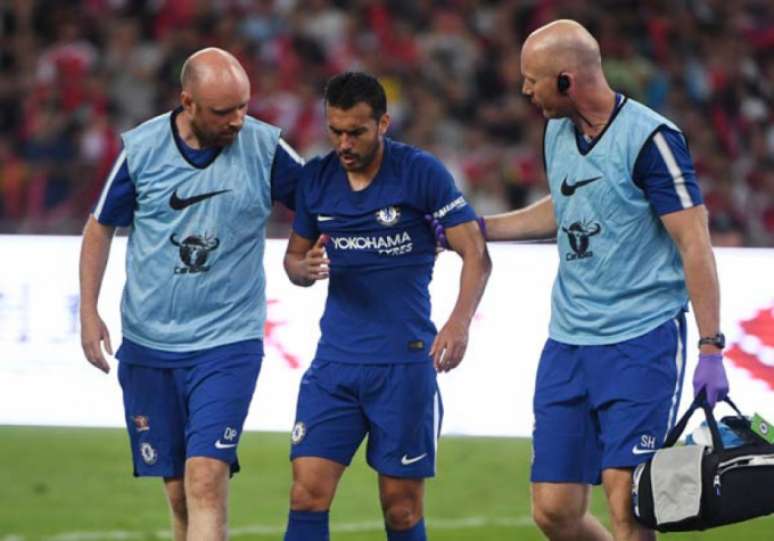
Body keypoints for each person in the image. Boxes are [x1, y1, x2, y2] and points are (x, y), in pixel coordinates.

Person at [473, 19, 728, 541]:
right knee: (554, 511)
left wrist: (710, 347)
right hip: (568, 341)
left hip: (641, 339)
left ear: (566, 80)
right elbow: (566, 207)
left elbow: (694, 242)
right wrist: (482, 229)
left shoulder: (652, 140)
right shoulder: (555, 131)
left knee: (629, 504)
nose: (525, 91)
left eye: (532, 80)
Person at [79, 47, 303, 540]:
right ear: (188, 103)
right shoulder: (142, 151)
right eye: (224, 111)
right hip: (148, 343)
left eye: (244, 106)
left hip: (228, 341)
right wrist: (89, 311)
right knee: (179, 494)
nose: (239, 121)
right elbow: (99, 227)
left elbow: (318, 203)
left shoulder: (265, 147)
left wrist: (298, 256)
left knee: (206, 476)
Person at [281, 72, 491, 541]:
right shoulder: (317, 179)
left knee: (400, 509)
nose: (344, 143)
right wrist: (303, 268)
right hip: (335, 364)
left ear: (383, 124)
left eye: (356, 131)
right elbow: (293, 258)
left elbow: (476, 252)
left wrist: (459, 324)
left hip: (403, 364)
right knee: (306, 495)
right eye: (335, 131)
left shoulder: (421, 174)